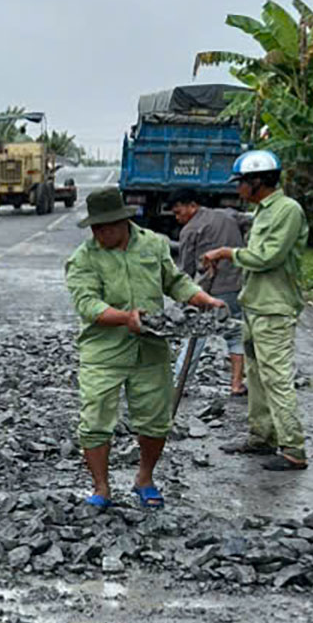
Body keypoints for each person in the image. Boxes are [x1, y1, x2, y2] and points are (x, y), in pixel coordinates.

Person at [64, 186, 227, 509]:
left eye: (105, 227)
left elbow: (175, 282)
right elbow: (88, 304)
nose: (99, 234)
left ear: (123, 222)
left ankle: (145, 479)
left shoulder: (153, 244)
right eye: (94, 228)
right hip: (103, 351)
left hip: (151, 348)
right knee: (95, 419)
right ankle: (101, 488)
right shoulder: (83, 259)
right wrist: (126, 318)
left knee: (155, 418)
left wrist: (203, 299)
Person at [202, 150, 310, 471]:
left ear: (258, 181)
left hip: (274, 308)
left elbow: (267, 257)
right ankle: (262, 436)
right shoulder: (262, 211)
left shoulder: (287, 211)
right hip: (255, 305)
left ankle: (293, 448)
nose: (238, 190)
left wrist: (226, 252)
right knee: (256, 375)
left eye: (242, 184)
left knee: (276, 377)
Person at [171, 188, 249, 396]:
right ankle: (236, 384)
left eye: (179, 212)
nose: (178, 218)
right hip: (236, 285)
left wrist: (182, 299)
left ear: (192, 205)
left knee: (196, 334)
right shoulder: (228, 214)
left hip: (209, 290)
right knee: (235, 334)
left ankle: (180, 382)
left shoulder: (190, 230)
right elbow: (251, 222)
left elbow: (185, 271)